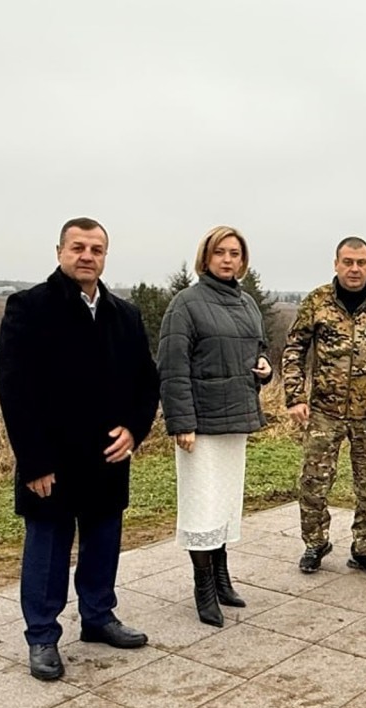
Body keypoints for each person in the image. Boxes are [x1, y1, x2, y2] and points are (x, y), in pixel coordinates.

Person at [0, 217, 159, 681]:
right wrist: (34, 461)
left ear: (105, 256)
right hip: (51, 458)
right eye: (78, 247)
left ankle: (98, 616)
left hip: (107, 455)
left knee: (104, 540)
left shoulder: (123, 314)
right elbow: (14, 389)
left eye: (96, 249)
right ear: (60, 251)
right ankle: (42, 636)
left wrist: (135, 429)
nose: (87, 256)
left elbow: (146, 382)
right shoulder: (29, 307)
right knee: (48, 546)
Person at [157, 226, 272, 628]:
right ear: (205, 258)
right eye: (220, 252)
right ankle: (203, 588)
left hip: (235, 421)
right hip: (200, 427)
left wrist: (265, 370)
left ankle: (223, 579)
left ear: (243, 260)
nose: (228, 259)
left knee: (224, 506)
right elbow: (172, 368)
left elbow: (258, 351)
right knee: (201, 509)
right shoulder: (185, 304)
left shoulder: (248, 304)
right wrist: (181, 422)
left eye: (235, 253)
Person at [281, 236, 366, 577]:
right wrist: (295, 395)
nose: (354, 269)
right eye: (348, 262)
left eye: (361, 262)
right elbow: (295, 349)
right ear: (336, 264)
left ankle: (365, 549)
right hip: (324, 411)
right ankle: (315, 543)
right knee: (314, 482)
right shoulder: (317, 301)